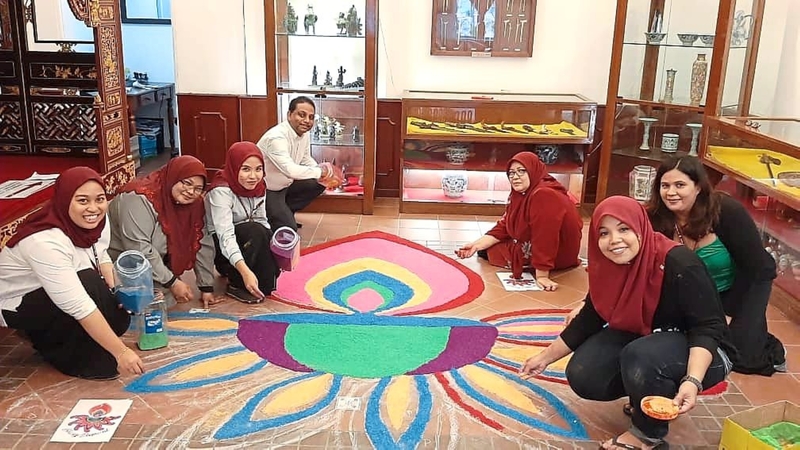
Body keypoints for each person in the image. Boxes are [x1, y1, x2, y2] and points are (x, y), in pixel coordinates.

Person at [520, 196, 734, 450]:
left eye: (624, 229)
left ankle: (647, 435)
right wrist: (544, 358)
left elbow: (707, 328)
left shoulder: (679, 263)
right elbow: (592, 314)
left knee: (641, 355)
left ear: (640, 227)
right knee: (584, 374)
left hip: (705, 351)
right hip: (648, 338)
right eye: (604, 233)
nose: (615, 241)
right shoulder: (609, 265)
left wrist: (693, 380)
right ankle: (646, 393)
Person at [0, 167, 144, 380]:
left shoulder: (96, 221)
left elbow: (101, 254)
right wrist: (121, 352)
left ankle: (61, 336)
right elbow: (77, 305)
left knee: (117, 317)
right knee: (103, 363)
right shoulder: (44, 242)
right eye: (83, 201)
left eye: (100, 199)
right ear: (65, 200)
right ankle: (49, 344)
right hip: (18, 303)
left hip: (68, 288)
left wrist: (116, 291)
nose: (93, 208)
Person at [647, 155, 785, 375]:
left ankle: (760, 338)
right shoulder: (655, 217)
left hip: (743, 285)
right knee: (683, 341)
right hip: (693, 293)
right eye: (665, 186)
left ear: (699, 187)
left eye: (680, 185)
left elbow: (757, 268)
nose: (671, 192)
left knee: (740, 357)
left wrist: (728, 312)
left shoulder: (726, 211)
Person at [455, 151, 582, 290]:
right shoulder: (524, 193)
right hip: (549, 245)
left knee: (492, 252)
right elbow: (506, 225)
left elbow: (546, 236)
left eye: (521, 171)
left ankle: (540, 264)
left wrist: (542, 275)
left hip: (560, 252)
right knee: (485, 249)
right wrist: (475, 245)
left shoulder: (544, 194)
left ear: (533, 170)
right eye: (511, 173)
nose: (515, 177)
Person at [108, 156, 219, 309]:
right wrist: (172, 282)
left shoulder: (194, 203)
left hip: (158, 267)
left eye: (198, 188)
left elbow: (201, 241)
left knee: (165, 300)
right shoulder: (138, 198)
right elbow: (138, 249)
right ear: (173, 177)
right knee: (149, 306)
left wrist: (206, 287)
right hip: (126, 267)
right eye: (186, 183)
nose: (190, 191)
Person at [206, 142, 279, 304]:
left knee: (267, 283)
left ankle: (249, 274)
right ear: (234, 167)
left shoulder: (258, 187)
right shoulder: (221, 191)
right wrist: (245, 272)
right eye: (245, 169)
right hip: (221, 245)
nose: (253, 176)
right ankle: (235, 281)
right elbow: (225, 236)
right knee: (256, 231)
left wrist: (275, 250)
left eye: (258, 169)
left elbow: (262, 220)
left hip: (247, 239)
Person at [256, 95, 343, 231]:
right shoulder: (276, 137)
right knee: (289, 230)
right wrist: (322, 171)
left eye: (311, 117)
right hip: (267, 190)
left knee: (318, 183)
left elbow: (304, 158)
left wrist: (324, 173)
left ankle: (285, 212)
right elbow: (289, 170)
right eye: (301, 115)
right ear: (289, 115)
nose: (306, 121)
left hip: (286, 185)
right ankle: (272, 217)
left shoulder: (304, 134)